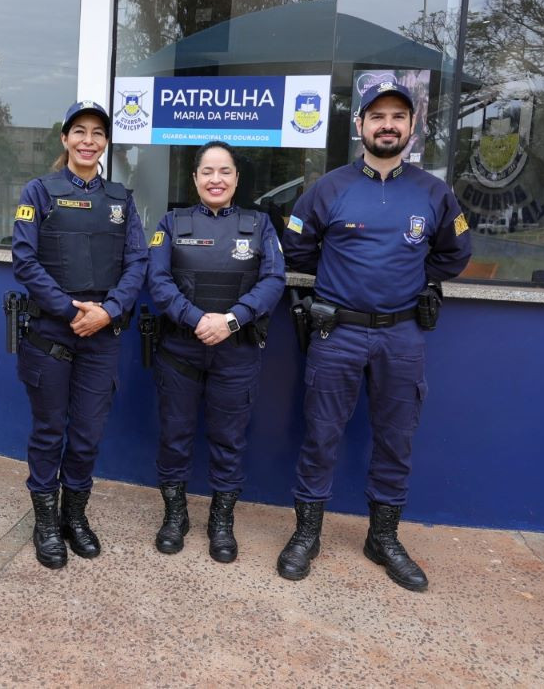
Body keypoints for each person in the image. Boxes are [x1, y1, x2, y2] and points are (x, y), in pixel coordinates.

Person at [278, 81, 472, 591]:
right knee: (321, 435)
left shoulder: (434, 192)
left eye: (398, 117)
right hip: (336, 333)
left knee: (396, 439)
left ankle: (382, 538)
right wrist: (344, 277)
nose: (388, 125)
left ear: (411, 128)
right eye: (377, 116)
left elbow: (454, 254)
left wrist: (407, 277)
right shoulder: (328, 188)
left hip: (401, 336)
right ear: (360, 126)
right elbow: (297, 248)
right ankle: (306, 535)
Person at [10, 100, 148, 569]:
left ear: (106, 142)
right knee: (49, 432)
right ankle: (45, 522)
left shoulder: (121, 200)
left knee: (87, 434)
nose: (89, 141)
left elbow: (137, 263)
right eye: (80, 132)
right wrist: (73, 310)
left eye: (98, 133)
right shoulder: (39, 192)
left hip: (102, 334)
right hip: (53, 331)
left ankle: (75, 516)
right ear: (65, 139)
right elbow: (24, 261)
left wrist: (107, 311)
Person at [146, 141, 285, 563]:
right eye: (207, 171)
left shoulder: (260, 225)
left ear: (237, 179)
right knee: (175, 437)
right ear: (194, 178)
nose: (216, 180)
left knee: (229, 440)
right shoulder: (171, 223)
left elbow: (274, 279)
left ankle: (221, 522)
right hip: (179, 351)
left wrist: (232, 319)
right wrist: (195, 319)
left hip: (236, 352)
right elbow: (157, 280)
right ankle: (176, 516)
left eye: (225, 171)